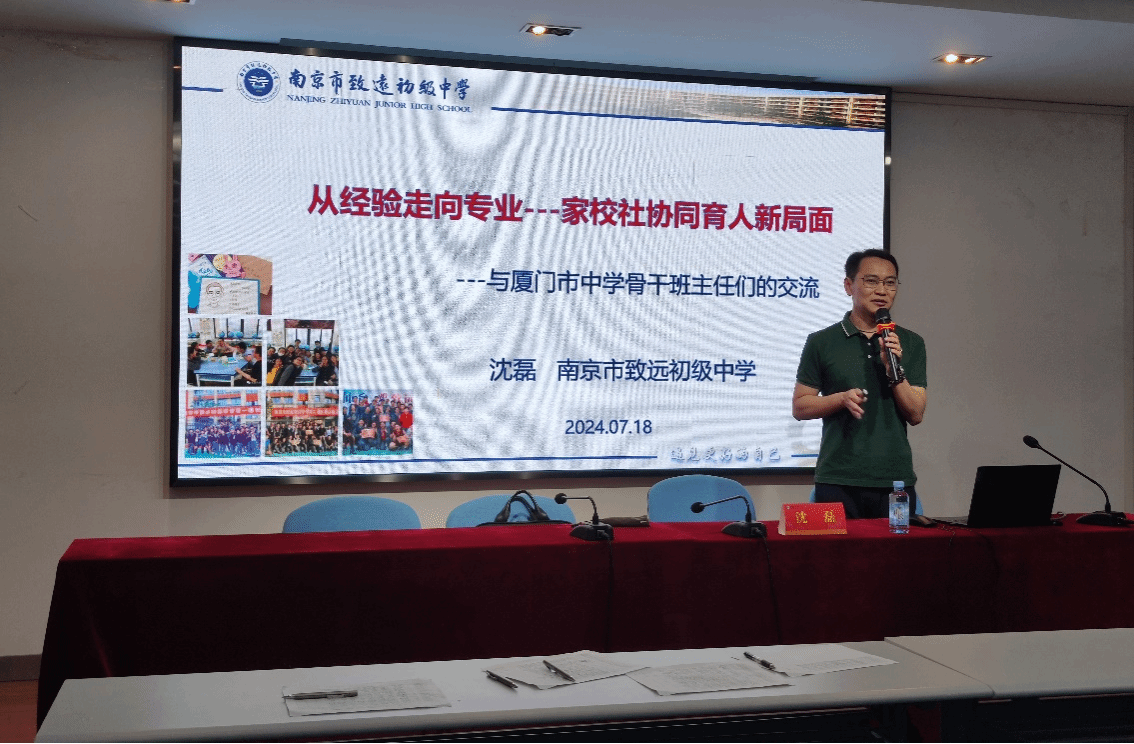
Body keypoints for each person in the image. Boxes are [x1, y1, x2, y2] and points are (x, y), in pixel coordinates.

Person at [792, 249, 928, 518]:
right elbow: (800, 406)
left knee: (899, 547)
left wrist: (893, 370)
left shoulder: (911, 343)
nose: (882, 290)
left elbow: (915, 414)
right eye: (871, 281)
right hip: (837, 479)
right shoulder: (821, 342)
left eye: (890, 283)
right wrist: (840, 399)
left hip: (895, 481)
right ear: (848, 285)